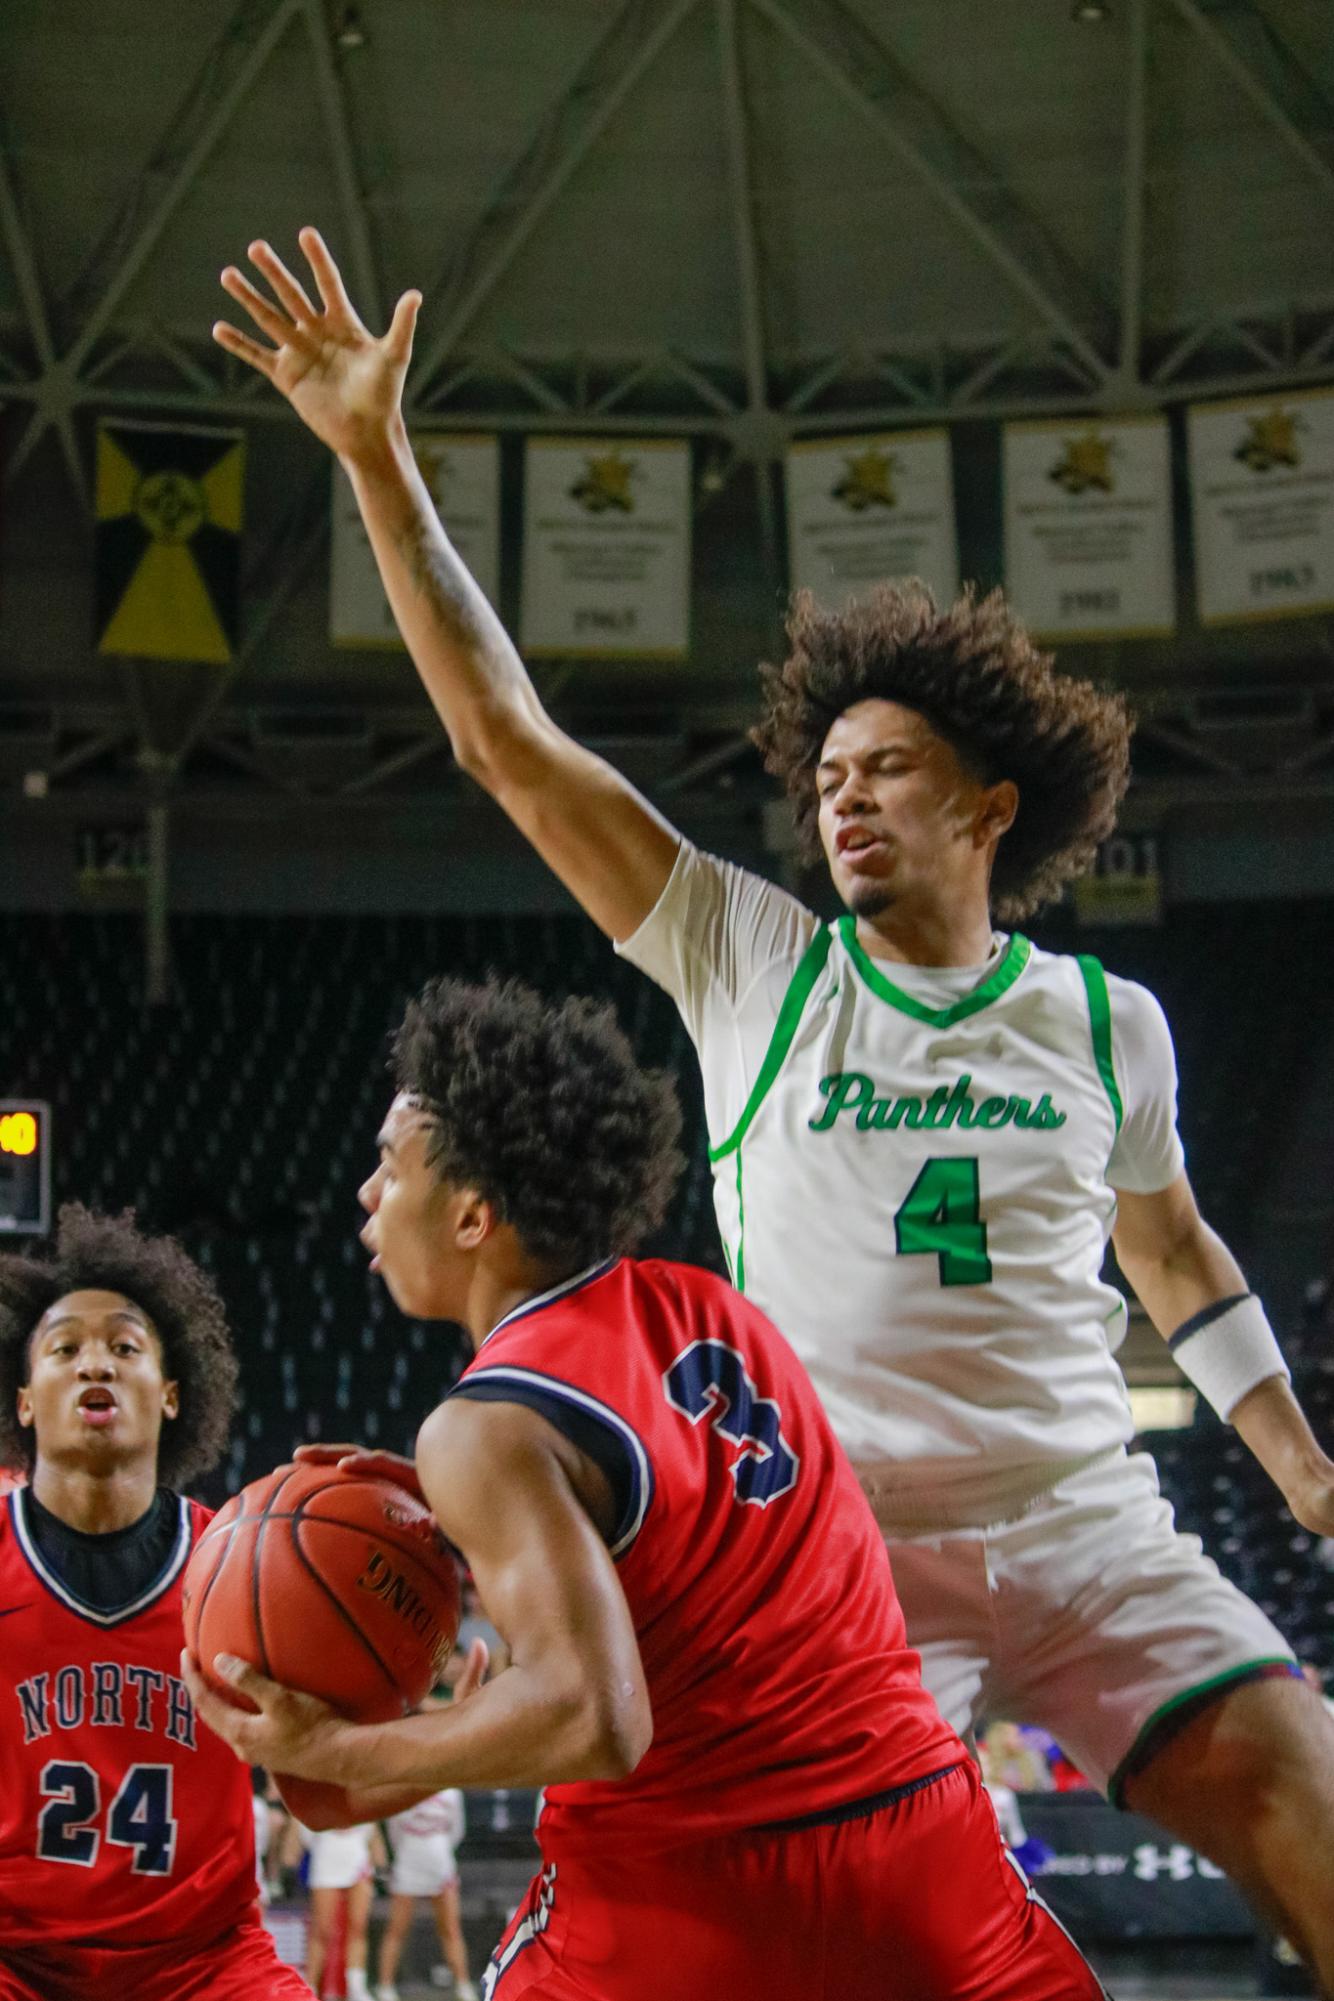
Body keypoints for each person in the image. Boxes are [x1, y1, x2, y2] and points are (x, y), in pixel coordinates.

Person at [212, 228, 1334, 1987]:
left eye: (884, 768)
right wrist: (375, 461)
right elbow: (510, 745)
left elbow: (1172, 1248)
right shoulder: (759, 965)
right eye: (822, 778)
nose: (841, 800)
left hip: (1078, 1512)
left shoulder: (1110, 1021)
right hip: (845, 1553)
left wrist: (1298, 1467)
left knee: (1310, 1815)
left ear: (988, 803)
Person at [185, 975, 1106, 2000]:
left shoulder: (484, 1426)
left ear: (474, 1215)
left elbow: (594, 1716)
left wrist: (340, 1749)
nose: (365, 1194)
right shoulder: (721, 1311)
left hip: (691, 1889)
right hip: (919, 1840)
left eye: (389, 1168)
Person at [0, 1204, 313, 2001]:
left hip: (205, 1965)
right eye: (64, 1348)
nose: (94, 1364)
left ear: (172, 1394)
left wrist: (436, 1743)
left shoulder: (242, 1567)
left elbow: (328, 1780)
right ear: (25, 1400)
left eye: (124, 1347)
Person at [376, 1789, 477, 2001]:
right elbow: (394, 1830)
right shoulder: (401, 1789)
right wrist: (408, 1852)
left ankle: (462, 1984)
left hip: (440, 1862)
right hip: (408, 1859)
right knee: (396, 1928)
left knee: (450, 1928)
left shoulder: (452, 1793)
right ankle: (385, 1986)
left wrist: (439, 1849)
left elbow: (457, 1829)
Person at [305, 1820, 382, 2001]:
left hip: (357, 1856)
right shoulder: (317, 1794)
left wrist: (377, 1858)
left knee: (358, 1926)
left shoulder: (362, 1794)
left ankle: (356, 1987)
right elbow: (306, 1830)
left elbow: (371, 1824)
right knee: (321, 1930)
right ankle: (310, 1986)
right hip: (326, 1854)